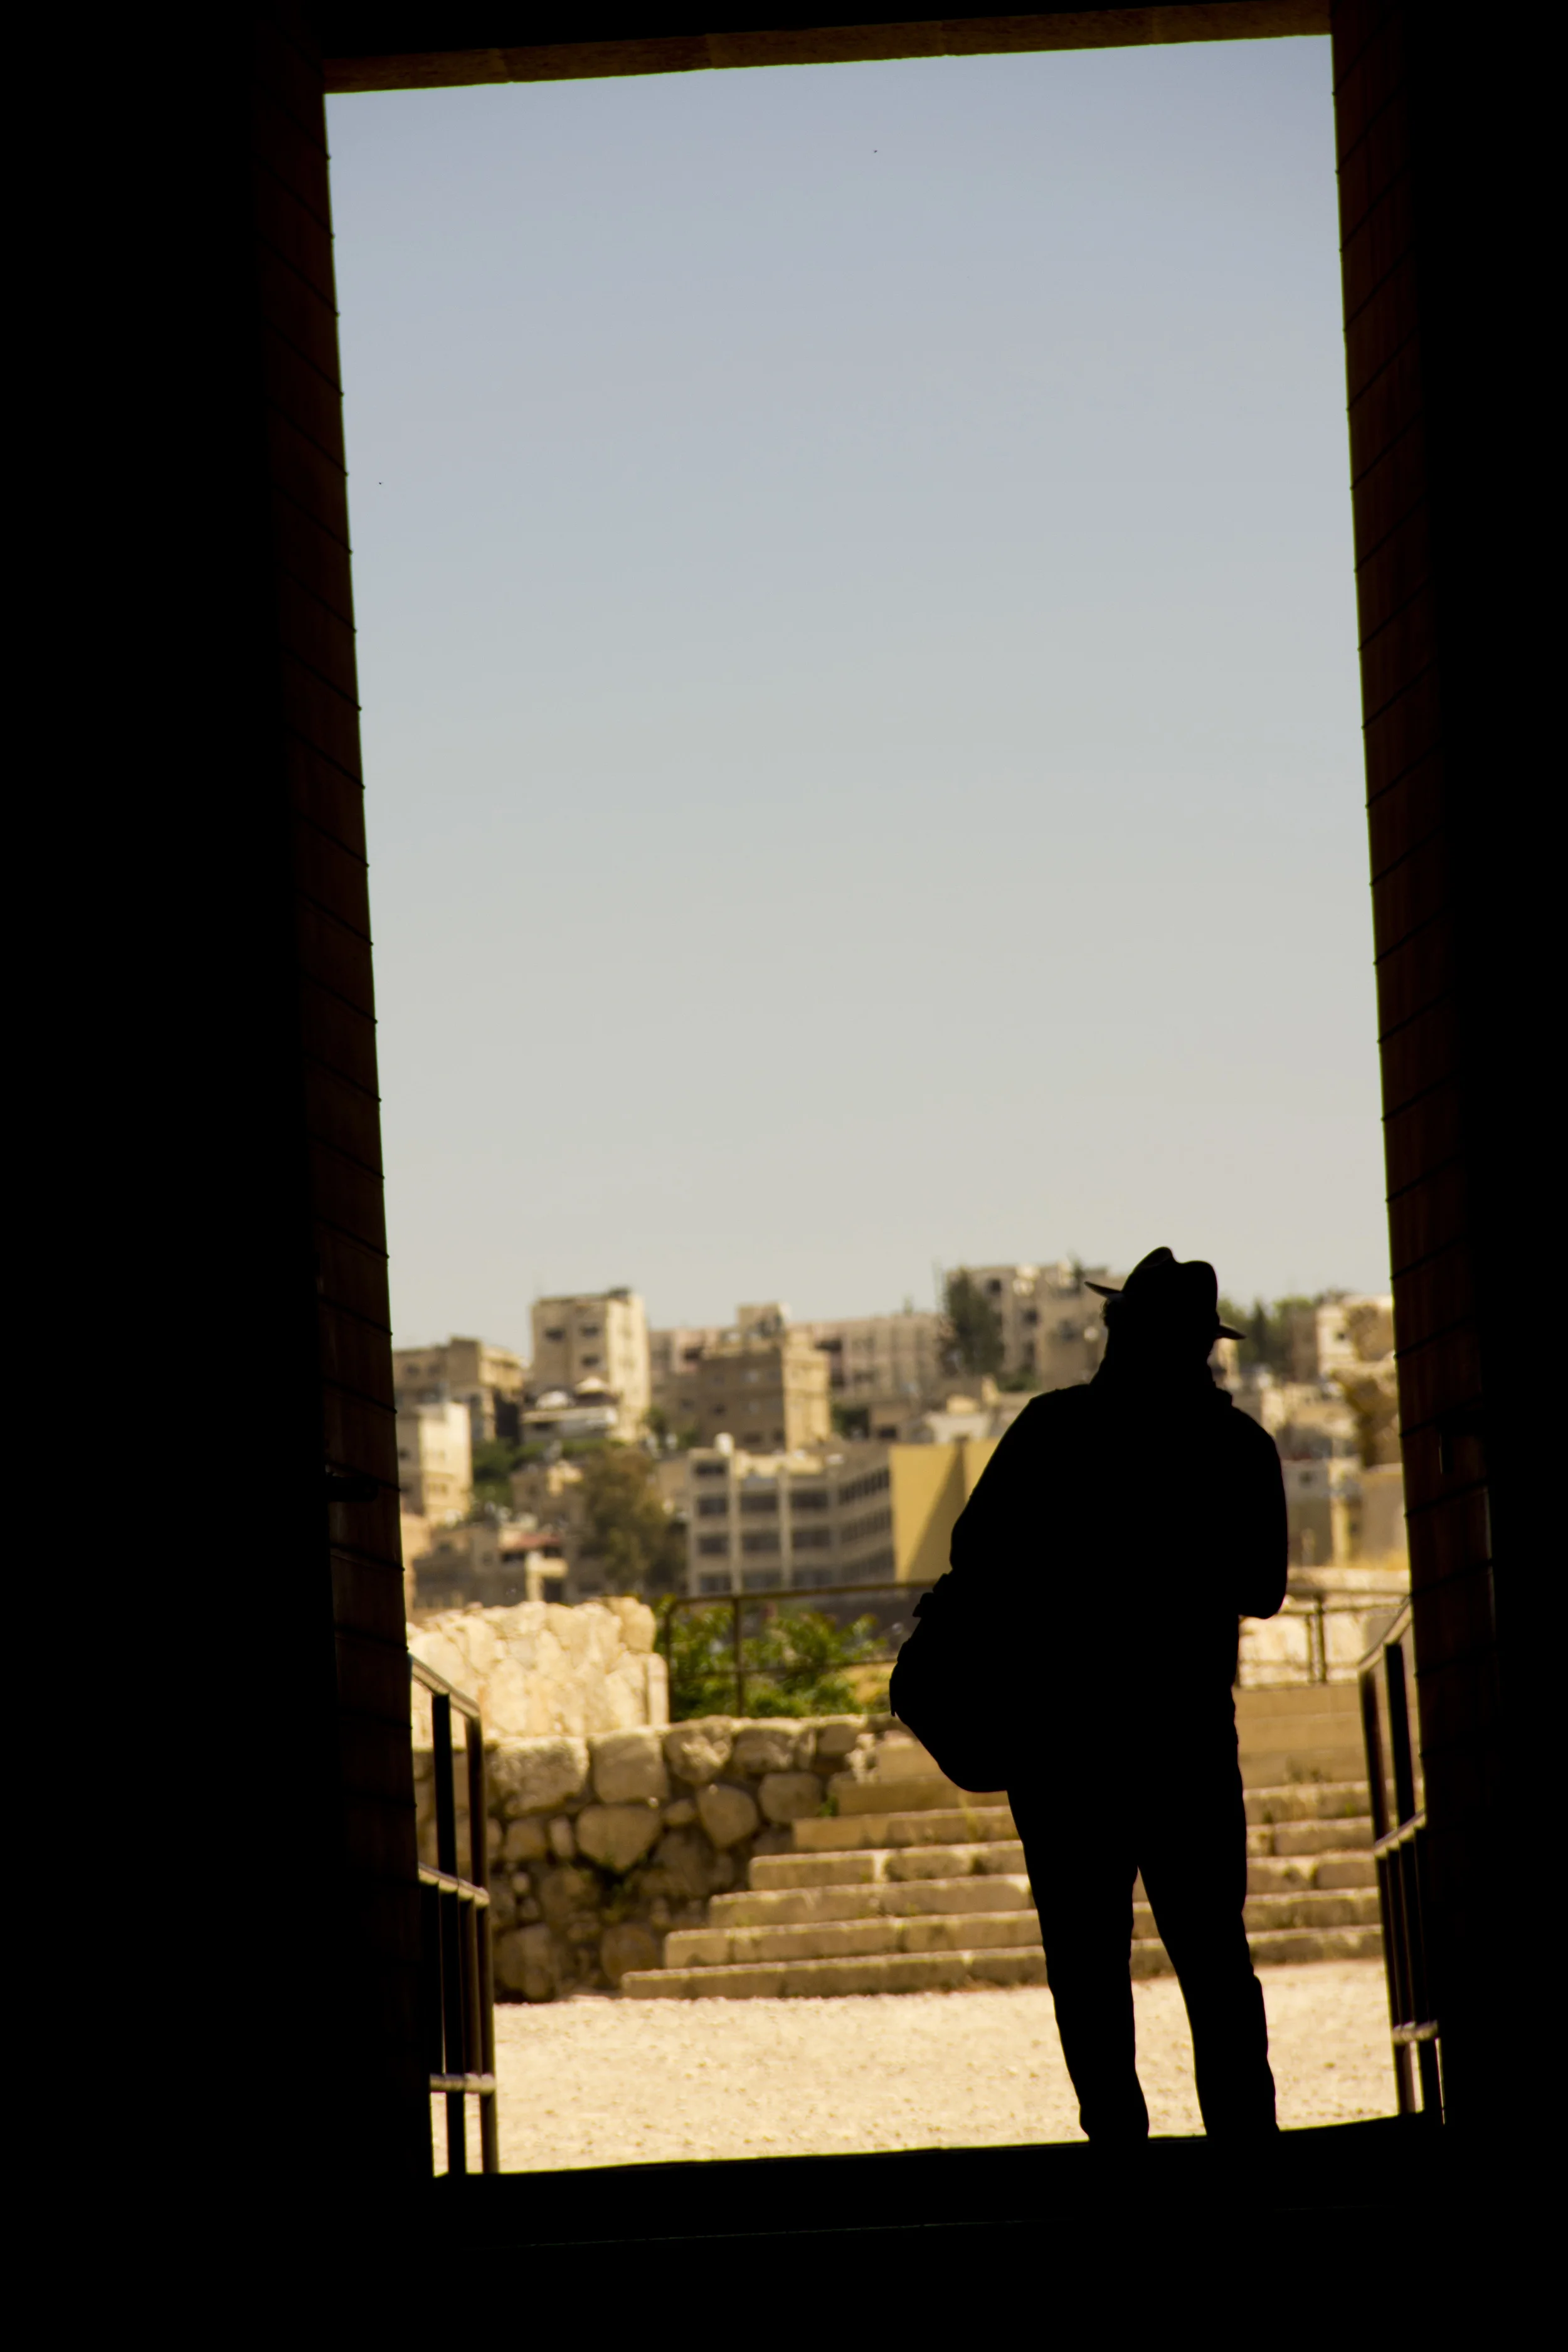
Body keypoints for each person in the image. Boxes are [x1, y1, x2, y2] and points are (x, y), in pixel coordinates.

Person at [948, 1247, 1287, 2143]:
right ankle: (1249, 2160)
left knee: (1087, 1966)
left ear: (1122, 1332)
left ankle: (1121, 2162)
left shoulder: (1051, 1429)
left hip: (1063, 1746)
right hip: (1187, 1742)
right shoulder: (1240, 1448)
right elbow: (1263, 1588)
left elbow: (973, 1551)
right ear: (1203, 1347)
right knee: (1214, 1958)